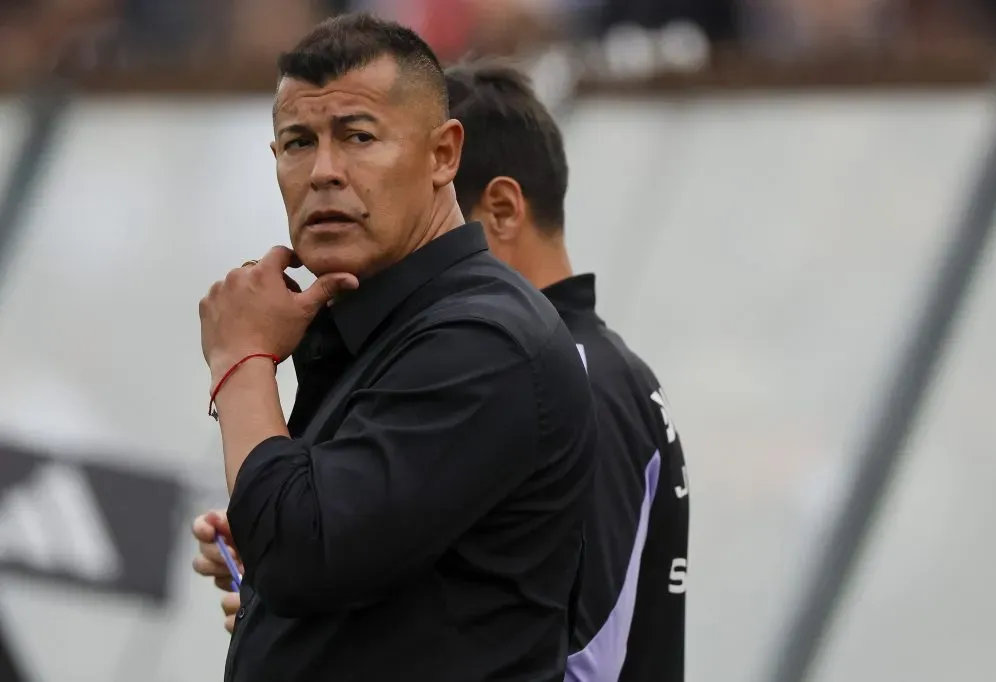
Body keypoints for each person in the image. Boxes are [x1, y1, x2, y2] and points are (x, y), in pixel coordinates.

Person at [197, 59, 688, 681]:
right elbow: (458, 595)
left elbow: (576, 656)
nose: (331, 178)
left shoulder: (529, 358)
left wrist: (242, 367)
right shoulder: (459, 349)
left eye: (364, 144)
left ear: (488, 198)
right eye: (300, 144)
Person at [445, 63, 689, 682]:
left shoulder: (574, 379)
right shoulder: (542, 371)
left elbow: (584, 664)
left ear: (500, 210)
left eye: (426, 226)